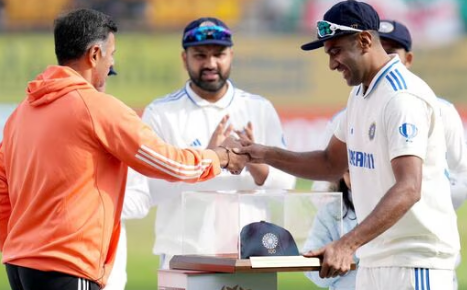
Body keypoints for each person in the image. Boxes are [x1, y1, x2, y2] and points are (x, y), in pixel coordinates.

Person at [0, 9, 247, 290]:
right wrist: (221, 157)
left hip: (19, 264)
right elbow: (169, 163)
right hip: (67, 264)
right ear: (94, 54)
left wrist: (19, 243)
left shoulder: (20, 114)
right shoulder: (97, 108)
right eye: (111, 54)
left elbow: (2, 192)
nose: (112, 63)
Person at [236, 1, 460, 289]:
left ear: (365, 40)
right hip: (374, 260)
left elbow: (409, 188)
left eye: (336, 51)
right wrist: (263, 153)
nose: (331, 64)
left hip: (415, 263)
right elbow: (330, 163)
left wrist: (345, 244)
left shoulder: (402, 97)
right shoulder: (360, 94)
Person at [104, 17, 296, 289]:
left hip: (250, 257)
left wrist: (254, 162)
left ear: (232, 55)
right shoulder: (162, 113)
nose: (211, 63)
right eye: (200, 55)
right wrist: (207, 159)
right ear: (185, 58)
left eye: (219, 54)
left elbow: (287, 183)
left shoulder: (258, 108)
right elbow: (147, 191)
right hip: (185, 257)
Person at [304, 171, 358, 290]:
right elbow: (314, 274)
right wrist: (340, 255)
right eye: (349, 171)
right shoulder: (330, 212)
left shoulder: (399, 206)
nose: (356, 177)